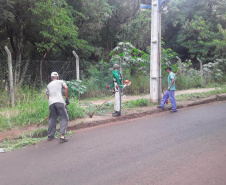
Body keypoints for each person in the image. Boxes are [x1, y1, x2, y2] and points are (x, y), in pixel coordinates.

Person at [46, 72, 70, 143]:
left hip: (51, 103)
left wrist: (51, 102)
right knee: (64, 118)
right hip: (59, 101)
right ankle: (62, 137)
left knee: (52, 118)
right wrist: (67, 98)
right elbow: (66, 87)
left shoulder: (48, 85)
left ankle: (50, 136)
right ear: (58, 77)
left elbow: (48, 95)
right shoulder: (61, 81)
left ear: (51, 78)